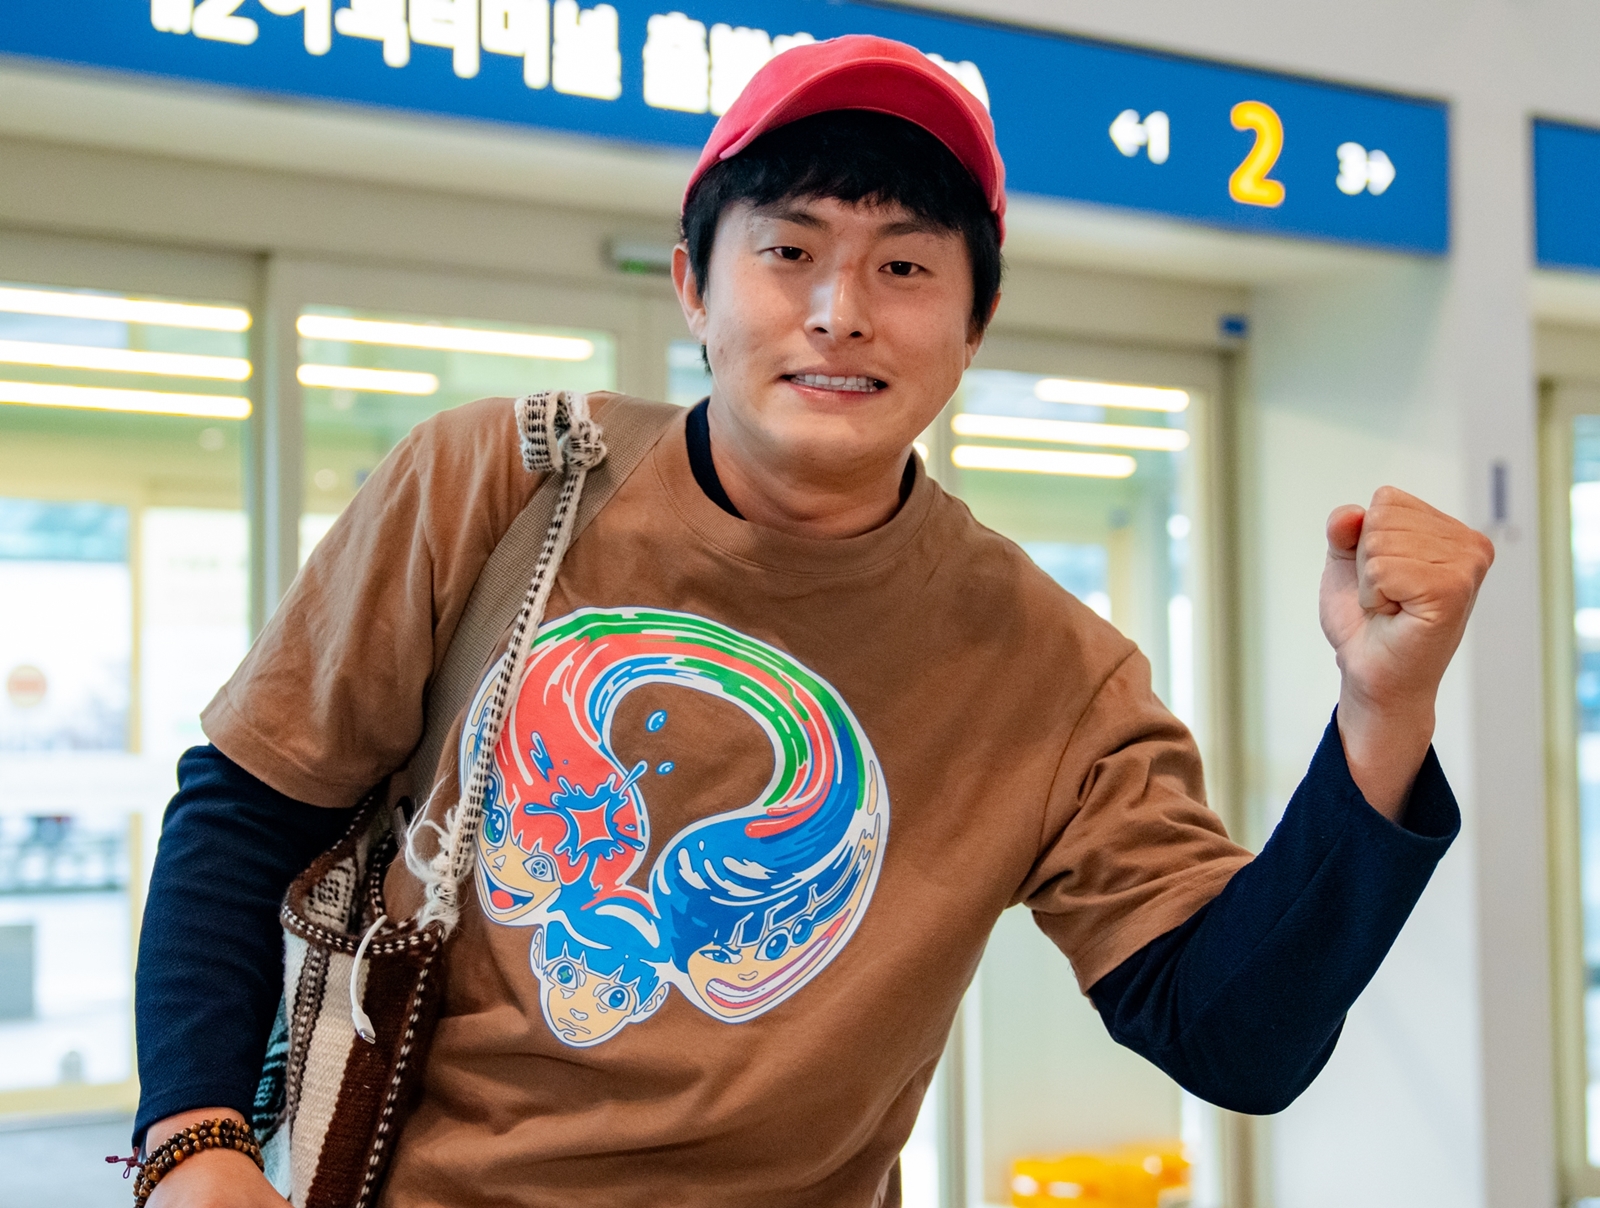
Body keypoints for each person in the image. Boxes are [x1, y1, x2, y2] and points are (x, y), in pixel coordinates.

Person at [133, 34, 1493, 1208]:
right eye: (789, 251)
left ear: (975, 323)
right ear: (694, 283)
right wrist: (194, 1142)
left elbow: (1234, 1038)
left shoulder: (1050, 670)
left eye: (905, 267)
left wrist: (1382, 714)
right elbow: (249, 808)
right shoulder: (499, 482)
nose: (841, 313)